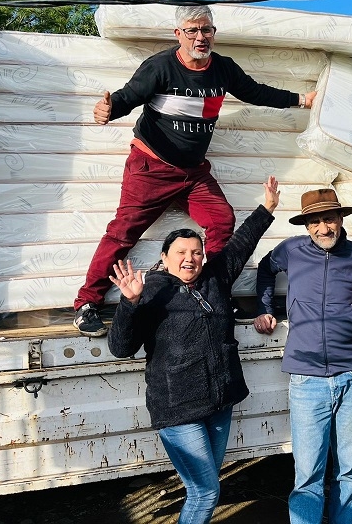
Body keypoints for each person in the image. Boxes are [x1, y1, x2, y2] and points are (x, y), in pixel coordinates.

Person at [73, 4, 317, 337]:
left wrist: (303, 100)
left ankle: (213, 290)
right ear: (179, 35)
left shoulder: (224, 69)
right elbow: (128, 96)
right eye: (192, 30)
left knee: (221, 220)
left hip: (193, 174)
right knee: (123, 232)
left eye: (206, 30)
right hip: (150, 168)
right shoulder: (160, 66)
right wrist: (108, 109)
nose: (200, 37)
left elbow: (256, 91)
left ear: (213, 34)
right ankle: (86, 303)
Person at [107, 175, 280, 524]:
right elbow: (121, 348)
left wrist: (267, 209)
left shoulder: (214, 278)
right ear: (165, 258)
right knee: (207, 492)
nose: (190, 259)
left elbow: (241, 244)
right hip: (178, 410)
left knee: (202, 486)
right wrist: (129, 303)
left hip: (219, 404)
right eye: (181, 253)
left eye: (196, 252)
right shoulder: (152, 291)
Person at [252, 188, 352, 524]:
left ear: (340, 219)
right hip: (307, 378)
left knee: (349, 469)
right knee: (308, 474)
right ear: (306, 225)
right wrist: (266, 308)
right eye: (315, 221)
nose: (323, 228)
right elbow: (264, 269)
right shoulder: (290, 250)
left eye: (329, 218)